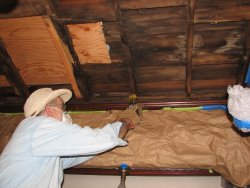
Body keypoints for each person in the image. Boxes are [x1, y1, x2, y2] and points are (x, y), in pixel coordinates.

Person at [0, 88, 139, 188]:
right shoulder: (39, 126)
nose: (66, 112)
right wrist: (125, 122)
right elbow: (97, 140)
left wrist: (107, 143)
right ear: (49, 110)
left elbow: (73, 156)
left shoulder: (37, 138)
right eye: (63, 107)